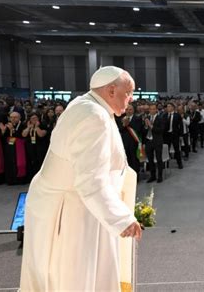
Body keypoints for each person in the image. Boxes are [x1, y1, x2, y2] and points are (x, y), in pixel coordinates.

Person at [20, 66, 142, 291]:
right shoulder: (94, 116)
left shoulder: (87, 105)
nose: (131, 99)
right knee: (75, 277)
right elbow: (90, 180)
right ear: (112, 90)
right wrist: (121, 218)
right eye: (129, 92)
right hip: (72, 210)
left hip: (74, 204)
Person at [0, 112, 28, 185]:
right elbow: (4, 137)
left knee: (20, 163)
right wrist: (3, 131)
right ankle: (11, 180)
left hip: (20, 146)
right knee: (10, 162)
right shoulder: (7, 124)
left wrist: (12, 129)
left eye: (15, 117)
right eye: (11, 117)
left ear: (19, 118)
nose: (13, 119)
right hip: (10, 146)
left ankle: (20, 180)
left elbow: (22, 135)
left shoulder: (23, 125)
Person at [118, 104, 143, 174]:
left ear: (133, 110)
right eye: (126, 109)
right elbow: (119, 129)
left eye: (130, 109)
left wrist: (128, 124)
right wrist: (123, 125)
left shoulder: (137, 118)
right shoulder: (122, 118)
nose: (128, 111)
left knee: (134, 160)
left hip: (134, 143)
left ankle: (136, 175)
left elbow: (138, 129)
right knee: (127, 159)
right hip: (125, 142)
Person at [22, 113, 48, 180]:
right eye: (32, 118)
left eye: (35, 118)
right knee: (32, 161)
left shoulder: (43, 125)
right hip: (30, 146)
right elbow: (24, 135)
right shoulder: (27, 125)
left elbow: (41, 135)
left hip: (40, 146)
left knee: (40, 161)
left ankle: (42, 177)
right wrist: (28, 127)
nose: (34, 119)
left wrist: (36, 127)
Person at [143, 103, 165, 183]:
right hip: (149, 140)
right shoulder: (147, 118)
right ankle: (153, 176)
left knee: (159, 159)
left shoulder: (160, 118)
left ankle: (160, 176)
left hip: (157, 141)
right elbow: (144, 130)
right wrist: (146, 126)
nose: (152, 110)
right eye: (150, 109)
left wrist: (151, 126)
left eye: (153, 109)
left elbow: (161, 130)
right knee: (150, 160)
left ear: (156, 109)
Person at [163, 102, 183, 169]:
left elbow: (181, 126)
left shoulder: (177, 115)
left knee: (177, 149)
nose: (168, 108)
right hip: (166, 135)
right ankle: (166, 164)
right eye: (167, 106)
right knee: (166, 150)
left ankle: (179, 163)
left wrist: (180, 135)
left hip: (174, 135)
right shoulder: (165, 115)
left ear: (173, 107)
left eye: (169, 106)